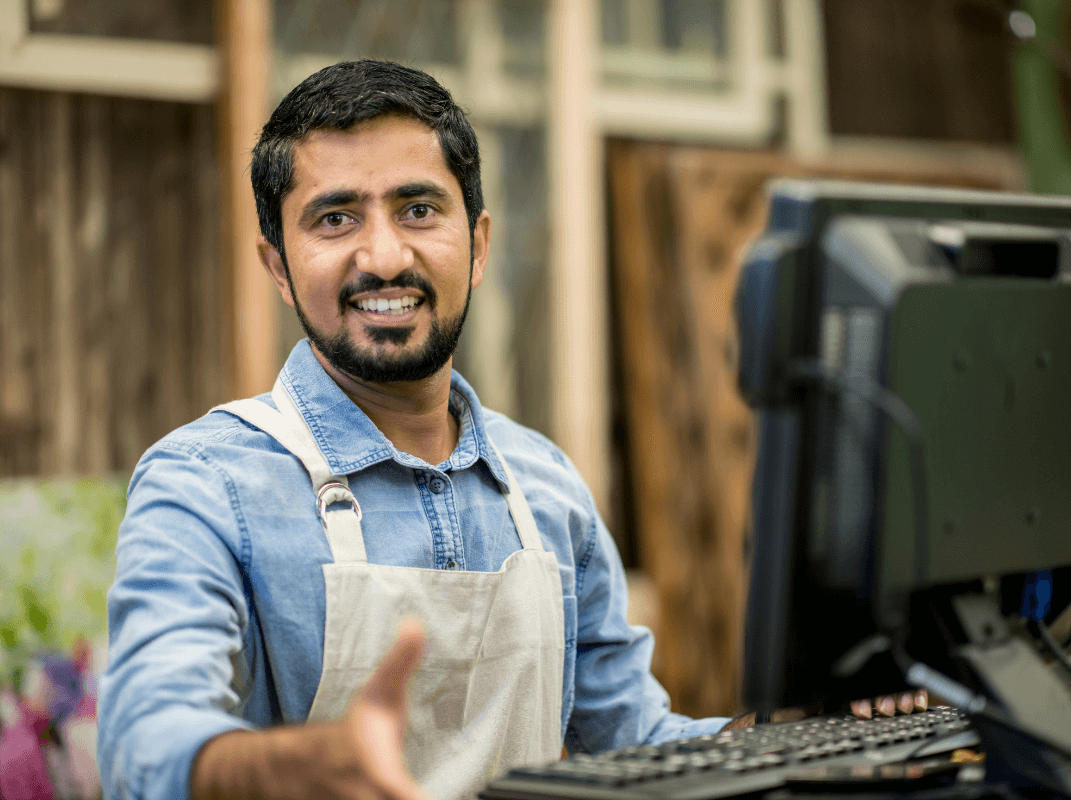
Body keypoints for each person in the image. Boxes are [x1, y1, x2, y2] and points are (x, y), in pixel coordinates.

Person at [96, 59, 737, 800]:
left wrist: (811, 731)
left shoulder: (544, 485)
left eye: (419, 209)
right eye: (335, 219)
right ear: (278, 268)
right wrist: (294, 769)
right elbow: (144, 744)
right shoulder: (204, 483)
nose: (385, 257)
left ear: (479, 243)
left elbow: (640, 741)